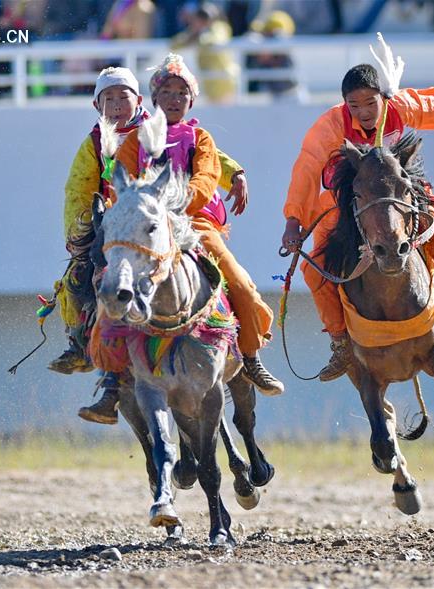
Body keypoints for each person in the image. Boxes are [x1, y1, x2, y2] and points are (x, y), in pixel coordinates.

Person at [281, 35, 434, 382]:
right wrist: (293, 220)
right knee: (314, 270)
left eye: (369, 103)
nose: (363, 112)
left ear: (383, 98)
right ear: (345, 104)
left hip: (403, 194)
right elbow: (307, 167)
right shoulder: (330, 125)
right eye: (354, 105)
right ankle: (341, 342)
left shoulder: (402, 107)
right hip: (345, 201)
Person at [53, 64, 271, 424]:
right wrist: (82, 232)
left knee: (235, 277)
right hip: (122, 226)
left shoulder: (159, 130)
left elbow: (211, 163)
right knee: (85, 282)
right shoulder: (99, 142)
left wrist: (236, 175)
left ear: (139, 101)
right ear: (97, 106)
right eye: (108, 99)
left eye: (123, 97)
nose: (117, 105)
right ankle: (93, 359)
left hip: (185, 222)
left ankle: (249, 356)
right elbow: (78, 190)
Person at [113, 53, 284, 396]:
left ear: (191, 100)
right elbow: (125, 181)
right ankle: (111, 375)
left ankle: (250, 357)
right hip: (146, 228)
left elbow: (207, 178)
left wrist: (177, 204)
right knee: (108, 284)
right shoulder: (135, 141)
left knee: (240, 282)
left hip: (195, 224)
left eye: (182, 93)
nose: (175, 98)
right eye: (167, 91)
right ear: (154, 98)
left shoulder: (200, 139)